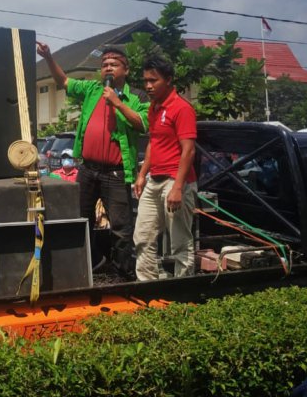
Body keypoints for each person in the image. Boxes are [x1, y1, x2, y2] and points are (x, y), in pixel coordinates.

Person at [37, 42, 149, 276]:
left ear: (126, 70)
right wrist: (48, 57)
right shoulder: (92, 90)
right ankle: (91, 265)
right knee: (81, 219)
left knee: (120, 227)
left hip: (116, 173)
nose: (108, 68)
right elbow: (64, 82)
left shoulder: (136, 96)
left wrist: (117, 103)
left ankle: (121, 274)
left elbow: (143, 123)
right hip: (87, 170)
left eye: (114, 64)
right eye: (105, 64)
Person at [133, 55, 197, 281]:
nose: (148, 86)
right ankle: (148, 287)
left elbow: (188, 150)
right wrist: (142, 175)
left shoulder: (182, 108)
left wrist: (178, 187)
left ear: (168, 80)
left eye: (154, 80)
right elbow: (153, 142)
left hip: (175, 181)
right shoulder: (153, 108)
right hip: (154, 180)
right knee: (143, 236)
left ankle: (183, 291)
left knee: (179, 241)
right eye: (146, 81)